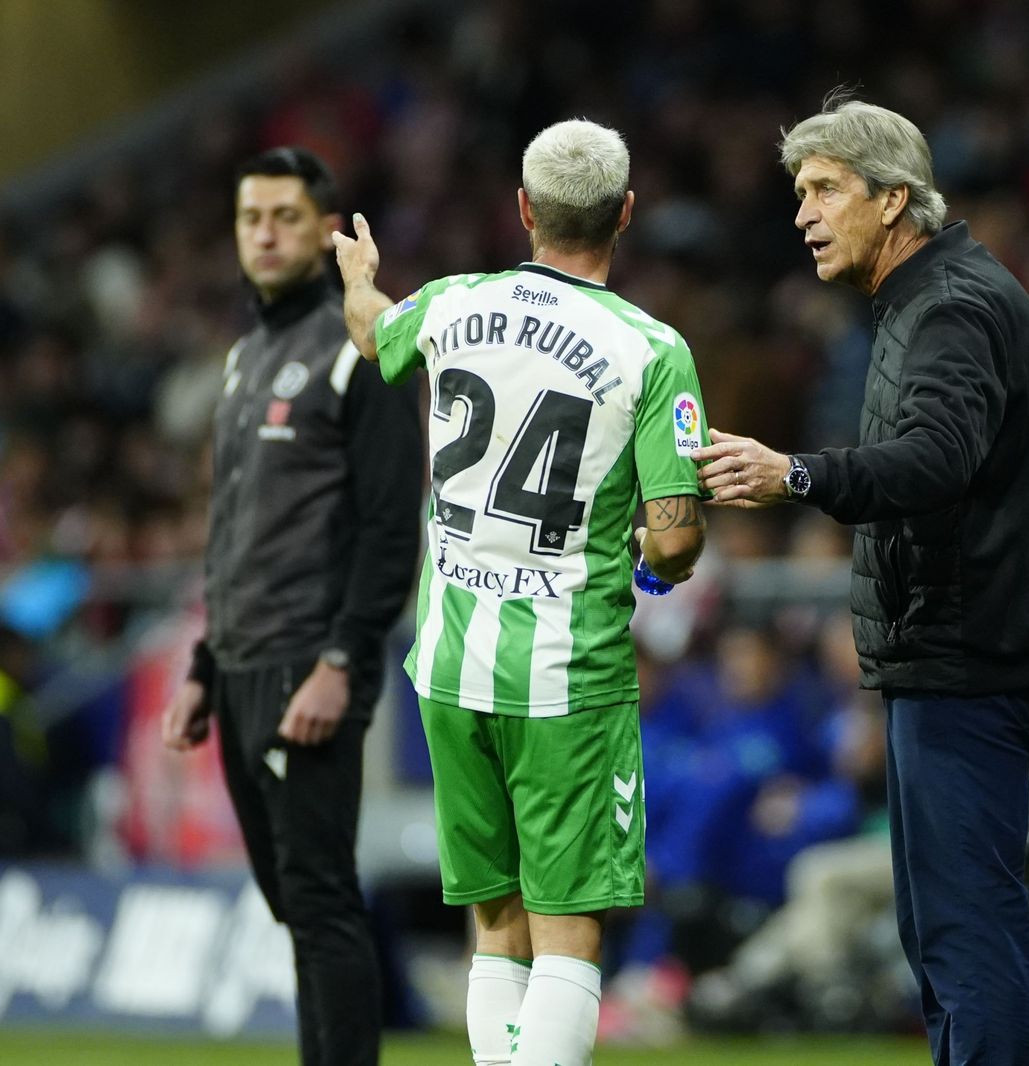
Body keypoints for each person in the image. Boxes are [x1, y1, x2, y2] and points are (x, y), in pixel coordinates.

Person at [692, 93, 1029, 1066]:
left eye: (825, 188)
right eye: (799, 191)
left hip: (971, 655)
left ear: (895, 197)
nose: (803, 213)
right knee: (942, 927)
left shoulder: (951, 306)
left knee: (962, 926)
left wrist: (794, 473)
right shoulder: (931, 299)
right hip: (960, 651)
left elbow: (934, 458)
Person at [331, 118, 708, 1066]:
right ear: (625, 213)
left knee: (494, 920)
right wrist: (659, 564)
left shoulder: (454, 304)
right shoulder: (651, 349)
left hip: (449, 663)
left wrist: (357, 278)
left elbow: (376, 336)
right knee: (568, 931)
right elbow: (676, 536)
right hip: (565, 677)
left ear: (525, 210)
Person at [159, 147, 423, 1066]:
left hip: (309, 659)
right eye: (249, 219)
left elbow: (393, 526)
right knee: (290, 899)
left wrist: (344, 660)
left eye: (284, 216)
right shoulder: (245, 355)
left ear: (325, 229)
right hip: (237, 663)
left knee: (317, 899)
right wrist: (200, 667)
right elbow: (231, 522)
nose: (264, 234)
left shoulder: (364, 345)